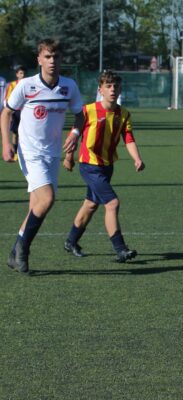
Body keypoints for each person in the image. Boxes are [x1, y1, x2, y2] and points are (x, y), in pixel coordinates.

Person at [1, 38, 84, 274]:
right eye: (47, 57)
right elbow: (6, 113)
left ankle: (13, 254)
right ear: (39, 59)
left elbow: (80, 115)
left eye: (56, 57)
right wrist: (7, 143)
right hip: (29, 152)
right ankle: (23, 249)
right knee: (47, 199)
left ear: (61, 59)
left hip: (52, 154)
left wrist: (75, 133)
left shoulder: (69, 86)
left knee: (37, 206)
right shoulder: (26, 86)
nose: (52, 61)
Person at [63, 70, 143, 263]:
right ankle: (120, 249)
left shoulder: (123, 114)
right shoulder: (88, 110)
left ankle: (71, 241)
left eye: (115, 86)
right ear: (100, 89)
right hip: (89, 165)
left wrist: (137, 159)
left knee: (91, 205)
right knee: (112, 203)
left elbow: (129, 138)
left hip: (107, 166)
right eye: (108, 86)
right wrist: (68, 157)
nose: (112, 89)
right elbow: (74, 134)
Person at [4, 66, 27, 156]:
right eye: (21, 73)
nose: (23, 75)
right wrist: (10, 112)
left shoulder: (29, 84)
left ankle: (25, 153)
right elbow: (7, 99)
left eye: (24, 73)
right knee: (15, 133)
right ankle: (16, 153)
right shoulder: (12, 85)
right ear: (17, 74)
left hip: (26, 112)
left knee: (26, 134)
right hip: (16, 112)